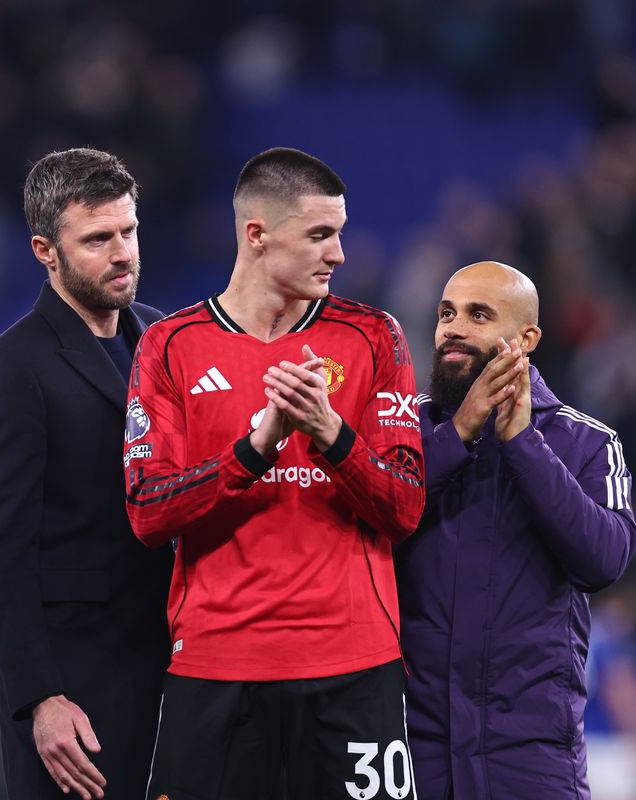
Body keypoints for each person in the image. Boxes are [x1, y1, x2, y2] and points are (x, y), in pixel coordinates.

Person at [125, 147, 426, 799]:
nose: (339, 254)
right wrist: (256, 448)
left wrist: (330, 434)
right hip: (218, 665)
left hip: (354, 668)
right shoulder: (171, 345)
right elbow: (148, 514)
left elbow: (404, 507)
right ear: (256, 236)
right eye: (320, 234)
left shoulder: (374, 337)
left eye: (339, 233)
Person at [0, 147, 173, 800]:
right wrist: (39, 698)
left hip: (174, 670)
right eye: (97, 239)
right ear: (44, 250)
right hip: (77, 688)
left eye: (128, 232)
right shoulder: (11, 368)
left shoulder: (164, 339)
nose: (122, 253)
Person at [395, 261, 636, 799]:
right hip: (415, 749)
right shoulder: (402, 434)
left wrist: (524, 442)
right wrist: (456, 436)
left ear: (525, 338)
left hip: (531, 756)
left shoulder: (587, 442)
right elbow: (369, 528)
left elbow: (603, 561)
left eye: (478, 315)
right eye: (446, 314)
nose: (453, 328)